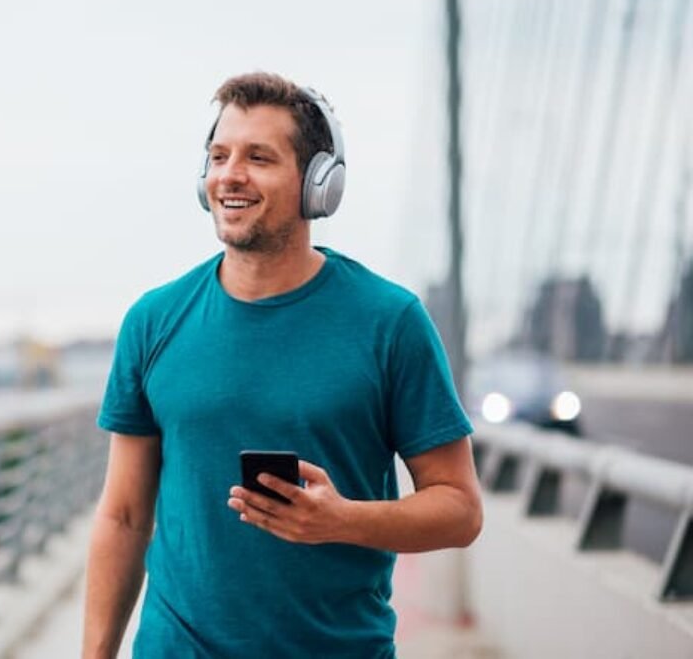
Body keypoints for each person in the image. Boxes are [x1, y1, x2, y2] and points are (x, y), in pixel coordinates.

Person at [83, 71, 482, 658]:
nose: (229, 175)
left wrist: (341, 520)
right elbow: (122, 516)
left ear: (319, 184)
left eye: (259, 157)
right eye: (219, 156)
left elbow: (460, 509)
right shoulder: (154, 320)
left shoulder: (389, 321)